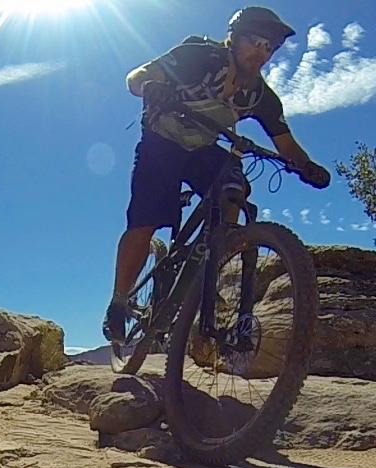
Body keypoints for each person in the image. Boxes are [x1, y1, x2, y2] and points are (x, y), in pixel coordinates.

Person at [103, 6, 331, 342]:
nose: (262, 53)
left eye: (270, 48)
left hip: (201, 148)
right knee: (144, 222)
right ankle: (119, 303)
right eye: (256, 42)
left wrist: (307, 167)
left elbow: (286, 144)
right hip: (161, 141)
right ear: (234, 39)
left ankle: (210, 266)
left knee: (234, 185)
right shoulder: (200, 57)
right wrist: (150, 86)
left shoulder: (259, 95)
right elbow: (136, 76)